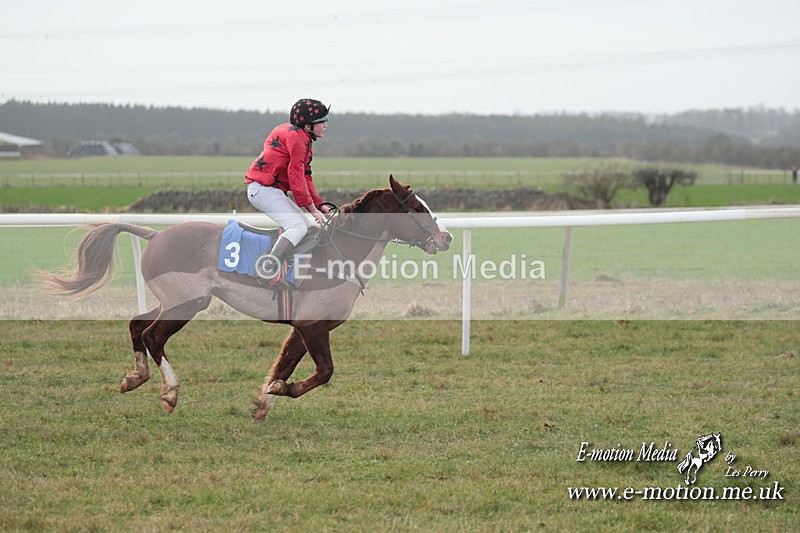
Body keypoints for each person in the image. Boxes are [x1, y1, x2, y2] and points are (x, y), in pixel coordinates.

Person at [245, 98, 332, 282]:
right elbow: (296, 177)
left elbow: (306, 177)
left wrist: (320, 204)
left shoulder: (302, 138)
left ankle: (286, 267)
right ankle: (267, 268)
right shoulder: (299, 139)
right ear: (308, 125)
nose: (325, 125)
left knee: (306, 228)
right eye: (321, 122)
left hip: (269, 190)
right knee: (298, 227)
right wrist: (312, 209)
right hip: (263, 190)